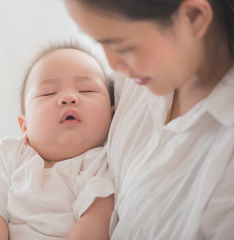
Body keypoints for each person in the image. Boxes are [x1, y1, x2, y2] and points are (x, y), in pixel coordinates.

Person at [63, 0, 234, 239]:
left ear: (194, 16)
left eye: (124, 47)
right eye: (99, 42)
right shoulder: (133, 78)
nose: (112, 66)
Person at [0, 43, 116, 240]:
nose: (68, 98)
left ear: (113, 115)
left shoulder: (100, 163)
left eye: (86, 90)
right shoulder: (12, 155)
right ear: (24, 126)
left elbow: (96, 222)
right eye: (48, 93)